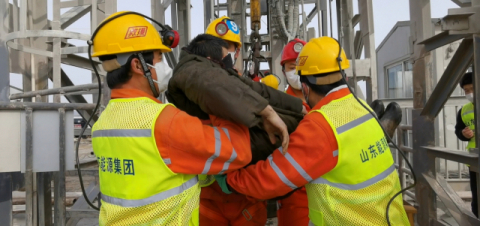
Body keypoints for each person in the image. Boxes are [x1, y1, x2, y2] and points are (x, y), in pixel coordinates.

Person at [89, 11, 274, 225]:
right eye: (159, 59)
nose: (166, 68)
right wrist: (220, 101)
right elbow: (238, 151)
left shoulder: (103, 123)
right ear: (138, 66)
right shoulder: (163, 122)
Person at [217, 36, 411, 225]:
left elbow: (272, 178)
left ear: (306, 86)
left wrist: (232, 180)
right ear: (343, 75)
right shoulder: (362, 107)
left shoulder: (321, 124)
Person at [167, 33, 304, 226]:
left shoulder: (226, 80)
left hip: (246, 198)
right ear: (209, 59)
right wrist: (265, 112)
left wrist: (296, 108)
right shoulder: (195, 76)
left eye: (234, 49)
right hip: (216, 194)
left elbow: (256, 90)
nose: (232, 58)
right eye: (227, 54)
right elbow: (206, 80)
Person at [275, 38, 310, 226]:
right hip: (291, 188)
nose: (296, 71)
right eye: (291, 66)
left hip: (322, 185)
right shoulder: (278, 104)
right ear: (284, 71)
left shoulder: (320, 101)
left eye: (301, 65)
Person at [454, 72, 478, 217]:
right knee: (477, 197)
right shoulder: (464, 110)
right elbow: (458, 130)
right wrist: (463, 133)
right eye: (466, 90)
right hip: (474, 160)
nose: (469, 93)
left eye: (472, 88)